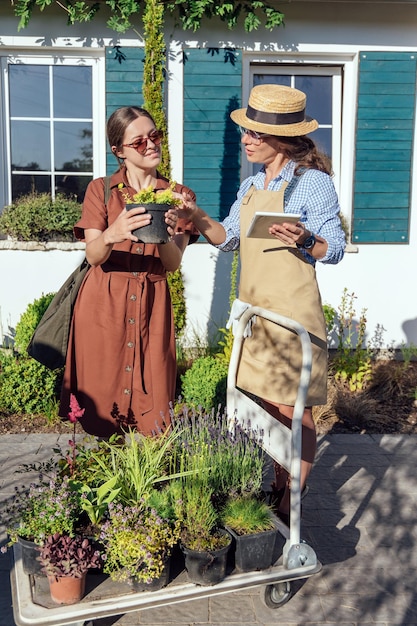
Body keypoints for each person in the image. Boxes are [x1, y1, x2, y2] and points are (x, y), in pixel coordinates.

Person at [178, 84, 346, 524]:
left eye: (255, 134)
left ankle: (293, 498)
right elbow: (229, 238)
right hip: (256, 313)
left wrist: (307, 240)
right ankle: (273, 486)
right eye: (246, 132)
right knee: (263, 407)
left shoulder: (313, 185)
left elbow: (338, 248)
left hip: (292, 315)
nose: (246, 139)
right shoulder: (253, 185)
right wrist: (196, 217)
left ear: (283, 139)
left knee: (294, 411)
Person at [59, 106, 199, 437]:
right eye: (139, 142)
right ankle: (107, 478)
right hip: (104, 304)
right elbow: (94, 255)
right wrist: (113, 231)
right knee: (102, 402)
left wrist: (163, 233)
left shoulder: (178, 196)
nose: (151, 145)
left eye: (155, 136)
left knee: (153, 404)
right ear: (118, 150)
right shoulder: (101, 190)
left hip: (152, 303)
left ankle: (145, 483)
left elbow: (173, 263)